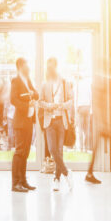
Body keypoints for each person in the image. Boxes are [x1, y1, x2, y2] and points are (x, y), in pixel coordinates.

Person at [39, 57, 74, 192]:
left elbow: (71, 100)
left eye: (52, 67)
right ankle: (67, 173)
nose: (50, 69)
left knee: (59, 151)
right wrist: (49, 106)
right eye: (48, 67)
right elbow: (40, 101)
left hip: (61, 120)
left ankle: (57, 179)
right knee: (53, 150)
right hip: (49, 121)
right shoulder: (44, 84)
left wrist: (62, 105)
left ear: (56, 66)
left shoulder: (64, 82)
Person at [10, 57, 39, 193]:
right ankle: (15, 183)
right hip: (20, 121)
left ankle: (23, 181)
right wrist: (27, 105)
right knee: (20, 152)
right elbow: (13, 99)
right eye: (27, 64)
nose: (29, 66)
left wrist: (33, 94)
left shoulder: (28, 80)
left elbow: (37, 95)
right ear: (21, 65)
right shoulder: (16, 81)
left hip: (29, 121)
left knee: (26, 152)